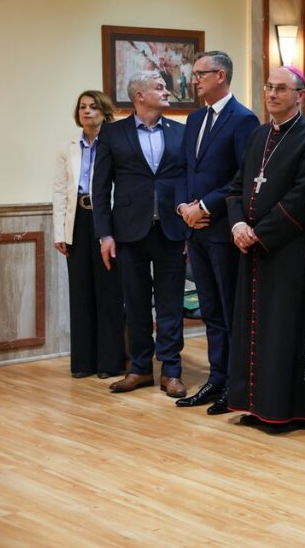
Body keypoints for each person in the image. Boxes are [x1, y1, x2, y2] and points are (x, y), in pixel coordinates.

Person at [226, 65, 305, 426]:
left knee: (284, 329)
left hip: (289, 251)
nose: (273, 94)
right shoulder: (258, 135)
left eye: (281, 88)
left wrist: (260, 233)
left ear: (299, 95)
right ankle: (257, 405)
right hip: (251, 249)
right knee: (254, 329)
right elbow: (236, 187)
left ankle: (288, 410)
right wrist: (237, 225)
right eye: (269, 87)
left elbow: (302, 197)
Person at [92, 71, 189, 397]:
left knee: (170, 304)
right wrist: (104, 234)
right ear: (139, 96)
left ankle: (172, 371)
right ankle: (140, 369)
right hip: (128, 233)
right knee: (134, 303)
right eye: (159, 87)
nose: (166, 92)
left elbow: (187, 183)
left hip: (171, 231)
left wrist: (189, 228)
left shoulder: (180, 132)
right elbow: (100, 188)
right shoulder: (113, 134)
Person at [174, 51, 259, 415]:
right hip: (196, 231)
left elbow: (240, 179)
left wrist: (204, 207)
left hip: (223, 229)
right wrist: (183, 209)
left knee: (228, 310)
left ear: (220, 75)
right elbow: (182, 169)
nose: (194, 81)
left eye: (200, 74)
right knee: (209, 310)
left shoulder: (243, 119)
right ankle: (215, 377)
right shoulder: (194, 119)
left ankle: (234, 386)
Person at [52, 90, 125, 379]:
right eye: (82, 107)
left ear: (104, 111)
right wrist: (60, 231)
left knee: (108, 291)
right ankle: (83, 362)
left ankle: (110, 362)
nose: (87, 111)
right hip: (78, 221)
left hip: (107, 221)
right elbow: (59, 191)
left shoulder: (116, 143)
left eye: (93, 107)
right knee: (80, 291)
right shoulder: (67, 147)